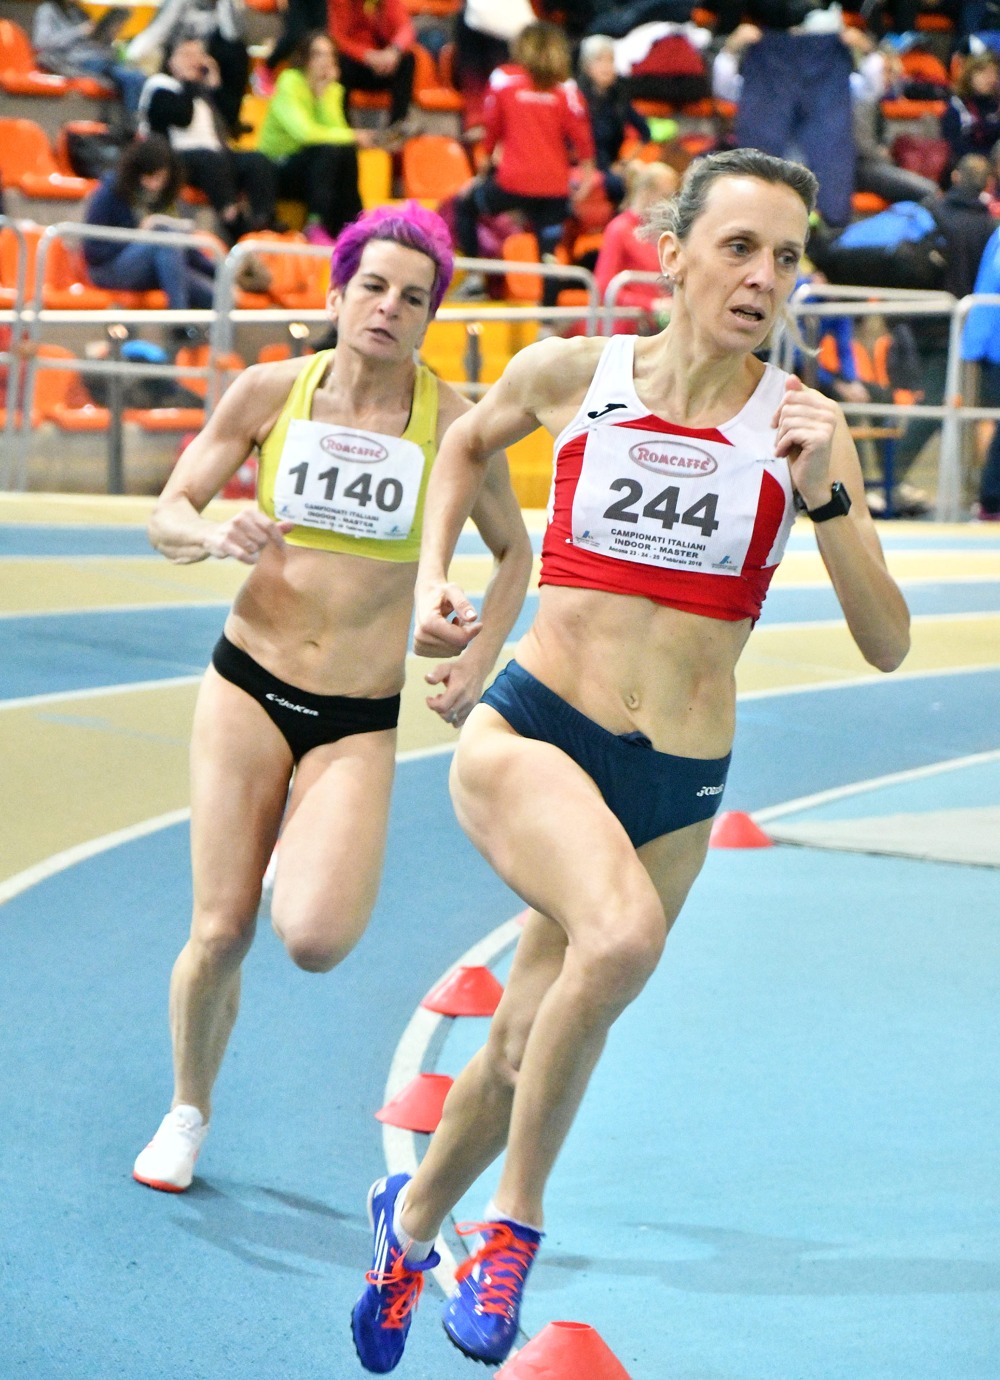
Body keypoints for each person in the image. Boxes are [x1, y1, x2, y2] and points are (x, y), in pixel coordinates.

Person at [350, 148, 911, 1374]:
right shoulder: (575, 375)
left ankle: (412, 1225)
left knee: (521, 1043)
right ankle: (514, 1229)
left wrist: (825, 498)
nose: (762, 277)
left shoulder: (805, 428)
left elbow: (886, 643)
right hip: (532, 733)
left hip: (675, 791)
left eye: (786, 258)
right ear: (670, 256)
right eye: (738, 247)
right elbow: (462, 447)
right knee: (618, 943)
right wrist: (444, 589)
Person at [131, 202, 532, 1195]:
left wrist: (478, 654)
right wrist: (208, 536)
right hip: (248, 685)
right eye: (374, 287)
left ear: (431, 315)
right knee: (220, 931)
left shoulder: (455, 426)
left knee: (314, 940)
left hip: (355, 716)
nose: (388, 308)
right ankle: (186, 1111)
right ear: (339, 292)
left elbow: (515, 554)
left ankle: (299, 838)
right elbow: (168, 511)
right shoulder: (271, 392)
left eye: (412, 297)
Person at [453, 22, 596, 305]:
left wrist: (481, 175)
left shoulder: (504, 79)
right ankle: (548, 318)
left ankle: (474, 279)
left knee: (464, 206)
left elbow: (491, 133)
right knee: (548, 252)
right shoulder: (567, 89)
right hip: (554, 189)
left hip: (512, 183)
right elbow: (583, 140)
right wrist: (588, 178)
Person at [138, 36, 278, 243]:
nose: (194, 61)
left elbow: (230, 121)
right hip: (176, 158)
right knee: (210, 158)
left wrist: (216, 85)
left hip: (215, 155)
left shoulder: (200, 90)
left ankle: (264, 220)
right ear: (171, 60)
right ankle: (232, 218)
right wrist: (188, 81)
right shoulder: (160, 86)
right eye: (187, 55)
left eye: (198, 55)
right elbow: (182, 117)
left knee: (257, 160)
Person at [257, 31, 372, 246]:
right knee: (329, 150)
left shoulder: (332, 89)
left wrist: (324, 95)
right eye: (318, 54)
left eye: (330, 55)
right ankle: (315, 223)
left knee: (344, 150)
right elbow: (305, 133)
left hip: (313, 169)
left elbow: (337, 134)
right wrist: (354, 135)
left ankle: (354, 223)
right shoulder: (290, 81)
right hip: (278, 166)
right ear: (305, 57)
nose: (325, 61)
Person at [82, 135, 217, 312]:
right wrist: (137, 237)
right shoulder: (110, 193)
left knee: (217, 295)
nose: (153, 184)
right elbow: (93, 250)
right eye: (149, 177)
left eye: (159, 178)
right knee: (164, 236)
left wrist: (221, 272)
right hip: (108, 269)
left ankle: (190, 324)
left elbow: (184, 245)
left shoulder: (165, 198)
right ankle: (179, 319)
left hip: (159, 265)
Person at [594, 160, 678, 332]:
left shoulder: (662, 232)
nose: (671, 205)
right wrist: (650, 304)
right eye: (666, 196)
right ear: (647, 193)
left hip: (654, 327)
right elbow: (603, 287)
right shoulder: (619, 229)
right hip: (626, 329)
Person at [576, 33, 652, 210]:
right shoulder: (576, 97)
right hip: (584, 166)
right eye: (599, 60)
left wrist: (625, 162)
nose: (607, 67)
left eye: (610, 60)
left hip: (611, 166)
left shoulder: (619, 97)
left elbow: (645, 132)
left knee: (642, 175)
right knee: (619, 184)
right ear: (586, 66)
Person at [31, 0, 146, 111]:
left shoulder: (78, 11)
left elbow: (92, 39)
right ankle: (133, 119)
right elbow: (42, 43)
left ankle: (135, 117)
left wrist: (108, 33)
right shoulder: (47, 10)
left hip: (96, 56)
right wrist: (79, 31)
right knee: (130, 78)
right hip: (73, 61)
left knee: (138, 76)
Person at [329, 0, 418, 136]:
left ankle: (396, 128)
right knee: (338, 62)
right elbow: (337, 37)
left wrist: (394, 51)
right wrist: (366, 55)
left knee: (407, 59)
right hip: (355, 64)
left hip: (385, 63)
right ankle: (344, 129)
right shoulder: (341, 3)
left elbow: (406, 28)